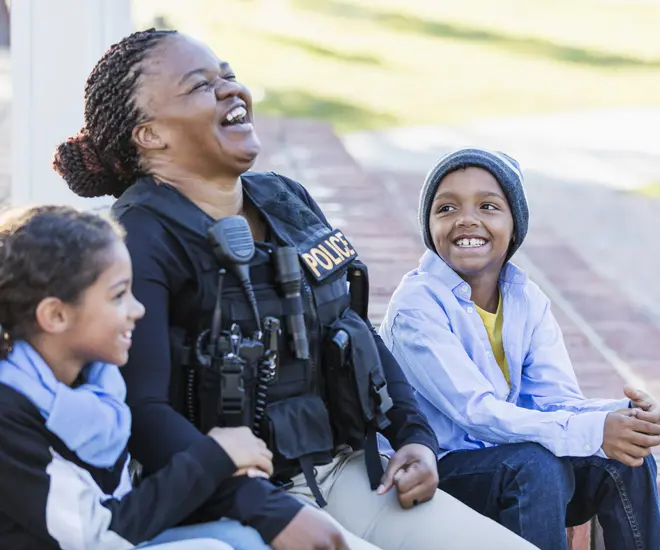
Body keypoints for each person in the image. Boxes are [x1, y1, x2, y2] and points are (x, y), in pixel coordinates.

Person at [52, 29, 537, 550]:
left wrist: (414, 438)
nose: (231, 91)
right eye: (200, 86)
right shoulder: (138, 238)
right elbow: (143, 412)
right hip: (232, 499)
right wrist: (270, 512)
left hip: (350, 473)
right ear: (150, 135)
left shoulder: (285, 198)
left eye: (229, 76)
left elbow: (353, 329)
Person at [378, 147, 660, 550]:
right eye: (446, 209)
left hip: (509, 469)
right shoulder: (416, 307)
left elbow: (554, 400)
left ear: (514, 226)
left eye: (488, 206)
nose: (466, 219)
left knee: (626, 456)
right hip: (435, 474)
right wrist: (594, 429)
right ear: (430, 226)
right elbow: (474, 412)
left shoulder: (526, 299)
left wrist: (621, 418)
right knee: (535, 466)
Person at [0, 205, 275, 550]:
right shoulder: (9, 411)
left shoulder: (96, 380)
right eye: (118, 296)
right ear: (55, 315)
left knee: (245, 538)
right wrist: (213, 458)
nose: (138, 309)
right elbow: (96, 535)